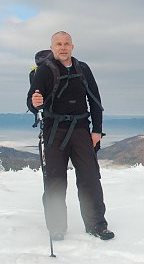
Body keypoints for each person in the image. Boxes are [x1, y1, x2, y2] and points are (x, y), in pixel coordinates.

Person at [27, 31, 114, 241]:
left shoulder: (83, 69)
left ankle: (96, 225)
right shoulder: (44, 72)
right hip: (54, 132)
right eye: (58, 44)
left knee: (90, 178)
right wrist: (34, 103)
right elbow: (32, 100)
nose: (63, 47)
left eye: (66, 43)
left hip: (81, 130)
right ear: (52, 47)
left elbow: (95, 100)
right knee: (55, 181)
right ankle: (56, 227)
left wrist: (97, 131)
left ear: (72, 46)